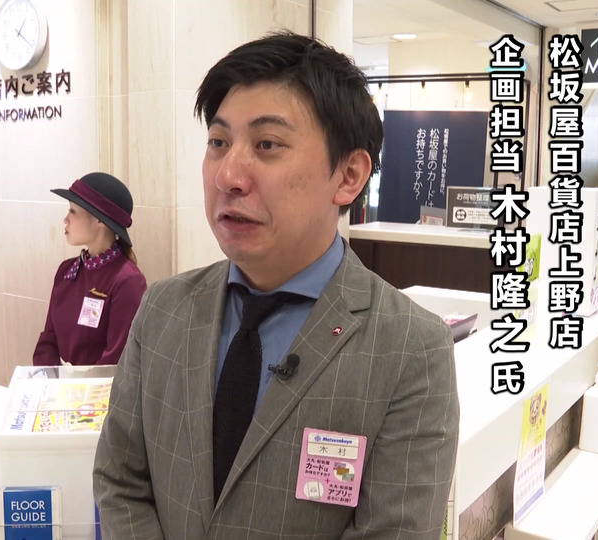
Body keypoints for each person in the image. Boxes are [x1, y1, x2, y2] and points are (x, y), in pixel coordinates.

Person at [93, 32, 458, 539]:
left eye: (267, 145)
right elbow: (120, 481)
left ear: (348, 176)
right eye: (218, 143)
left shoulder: (410, 349)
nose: (228, 175)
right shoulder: (164, 309)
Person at [32, 172, 147, 367]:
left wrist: (74, 385)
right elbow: (48, 342)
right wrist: (48, 381)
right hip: (60, 385)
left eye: (72, 211)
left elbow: (116, 361)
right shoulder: (66, 271)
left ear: (99, 220)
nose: (65, 219)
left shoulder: (128, 281)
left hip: (100, 387)